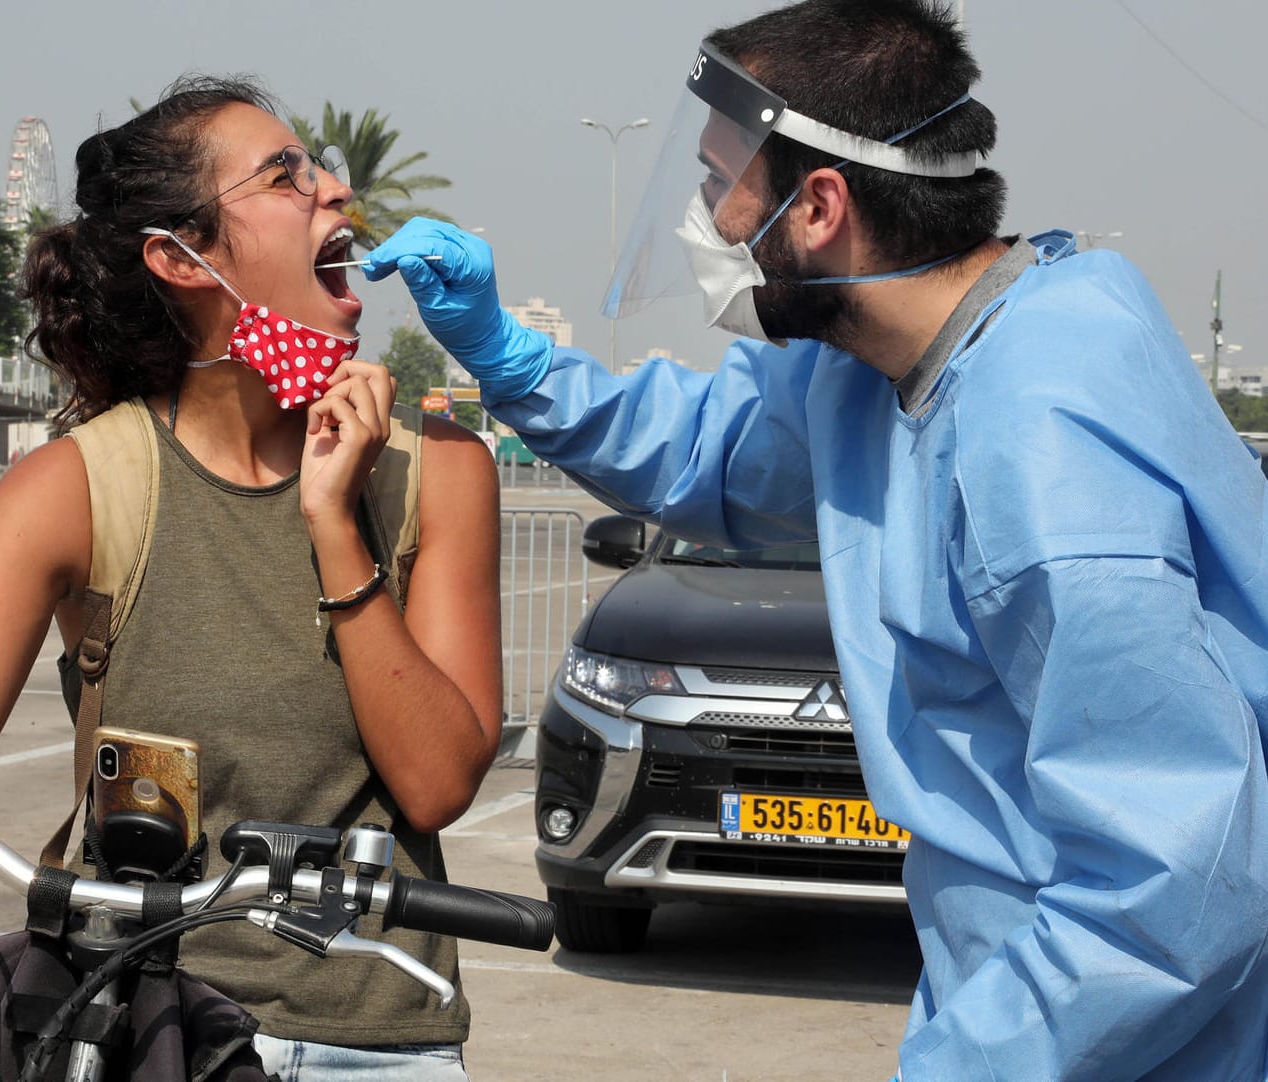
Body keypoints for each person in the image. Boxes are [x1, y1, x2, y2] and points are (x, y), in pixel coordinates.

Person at [366, 2, 1268, 1079]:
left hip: (1137, 1045)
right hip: (1016, 1000)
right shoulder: (884, 375)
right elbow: (707, 450)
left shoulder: (1046, 446)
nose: (703, 221)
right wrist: (510, 357)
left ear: (819, 206)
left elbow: (1178, 881)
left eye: (716, 187)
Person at [0, 75, 504, 1080]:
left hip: (375, 1042)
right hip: (138, 1026)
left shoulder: (440, 471)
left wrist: (335, 523)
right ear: (180, 257)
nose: (333, 191)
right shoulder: (72, 489)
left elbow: (438, 780)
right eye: (287, 176)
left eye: (320, 172)